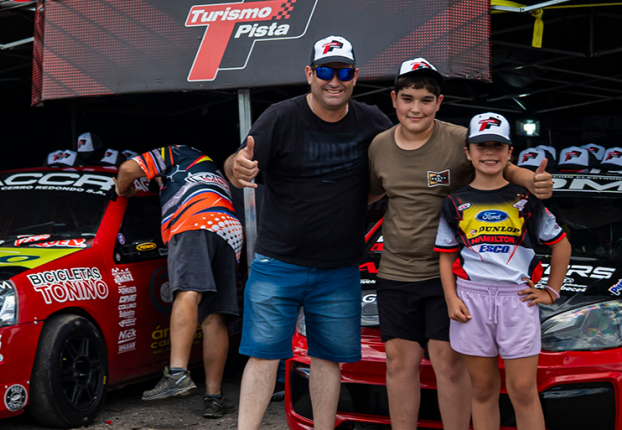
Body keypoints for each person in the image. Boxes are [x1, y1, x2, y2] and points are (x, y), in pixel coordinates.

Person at [367, 59, 553, 430]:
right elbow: (369, 195)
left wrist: (529, 179)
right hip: (395, 271)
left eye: (426, 100)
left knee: (449, 364)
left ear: (439, 102)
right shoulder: (379, 145)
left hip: (450, 275)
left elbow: (499, 165)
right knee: (398, 363)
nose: (416, 108)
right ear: (393, 99)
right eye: (408, 99)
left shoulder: (459, 139)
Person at [224, 35, 393, 430]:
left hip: (339, 268)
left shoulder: (371, 120)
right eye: (325, 71)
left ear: (355, 76)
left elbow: (403, 156)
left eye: (343, 73)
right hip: (277, 263)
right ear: (309, 74)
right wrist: (237, 167)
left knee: (328, 359)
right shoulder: (280, 117)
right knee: (263, 356)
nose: (334, 81)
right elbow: (238, 160)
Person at [435, 112, 571, 430]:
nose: (489, 152)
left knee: (522, 390)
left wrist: (551, 292)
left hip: (517, 300)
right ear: (468, 152)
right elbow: (446, 256)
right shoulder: (453, 201)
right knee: (483, 390)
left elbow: (562, 245)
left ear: (510, 152)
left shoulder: (526, 199)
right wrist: (451, 298)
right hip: (471, 301)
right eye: (481, 145)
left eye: (497, 146)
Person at [115, 145, 242, 418]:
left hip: (194, 220)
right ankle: (214, 398)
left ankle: (177, 373)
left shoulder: (179, 152)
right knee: (214, 316)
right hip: (229, 232)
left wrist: (124, 189)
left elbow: (127, 169)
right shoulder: (209, 172)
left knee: (188, 291)